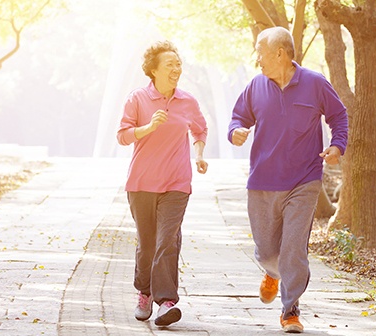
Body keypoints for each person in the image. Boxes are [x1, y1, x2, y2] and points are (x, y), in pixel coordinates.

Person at [228, 27, 348, 333]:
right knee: (267, 250)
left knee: (293, 247)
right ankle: (272, 271)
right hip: (262, 181)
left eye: (260, 52)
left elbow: (338, 116)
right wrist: (236, 132)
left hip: (304, 180)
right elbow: (238, 118)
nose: (257, 60)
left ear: (280, 53)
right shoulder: (256, 86)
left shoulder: (315, 84)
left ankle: (290, 309)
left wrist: (337, 146)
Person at [117, 40, 208, 327]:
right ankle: (144, 293)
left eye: (178, 64)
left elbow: (200, 129)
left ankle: (166, 302)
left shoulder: (187, 101)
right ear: (153, 70)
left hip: (177, 183)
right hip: (142, 183)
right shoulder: (137, 99)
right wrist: (148, 127)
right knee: (147, 244)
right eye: (170, 64)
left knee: (167, 241)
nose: (176, 69)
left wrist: (200, 155)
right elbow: (123, 135)